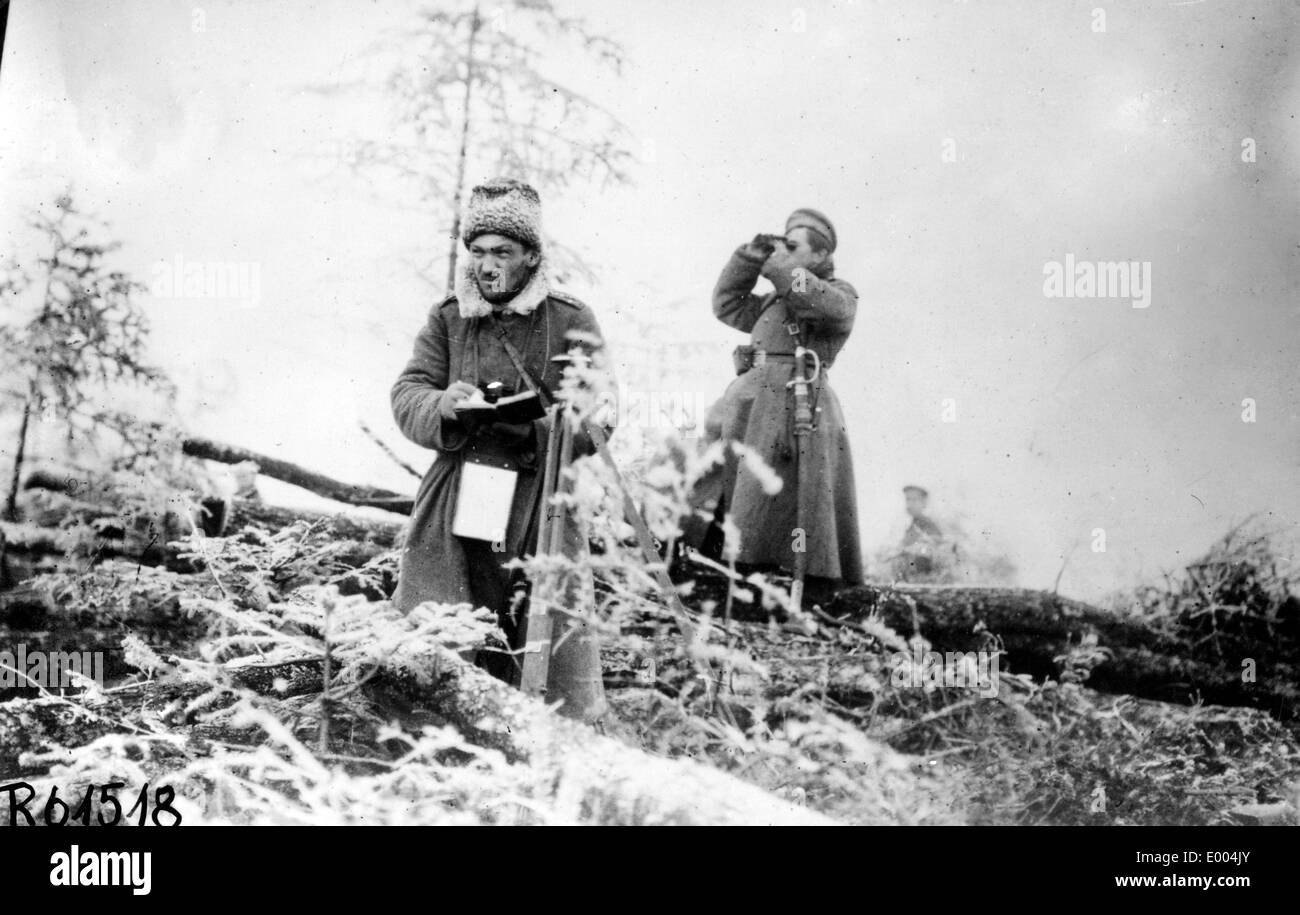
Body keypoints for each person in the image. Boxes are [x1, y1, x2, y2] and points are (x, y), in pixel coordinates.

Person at [390, 177, 611, 720]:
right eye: (479, 252)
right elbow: (408, 391)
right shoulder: (449, 318)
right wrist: (444, 404)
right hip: (464, 486)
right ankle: (438, 722)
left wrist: (553, 422)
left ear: (531, 256)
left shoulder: (569, 319)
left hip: (540, 496)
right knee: (449, 621)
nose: (487, 266)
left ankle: (543, 736)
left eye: (502, 253)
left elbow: (599, 408)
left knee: (539, 624)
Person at [684, 208, 863, 605]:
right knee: (722, 484)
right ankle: (713, 571)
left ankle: (778, 585)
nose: (781, 252)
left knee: (779, 501)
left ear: (819, 256)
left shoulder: (839, 293)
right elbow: (727, 304)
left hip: (797, 403)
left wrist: (780, 266)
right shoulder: (772, 302)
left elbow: (825, 305)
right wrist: (751, 256)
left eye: (793, 246)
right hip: (750, 404)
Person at [893, 484, 951, 582]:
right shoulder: (912, 525)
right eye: (907, 500)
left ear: (924, 503)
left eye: (914, 500)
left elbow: (936, 550)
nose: (909, 504)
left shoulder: (928, 524)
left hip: (924, 580)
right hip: (911, 578)